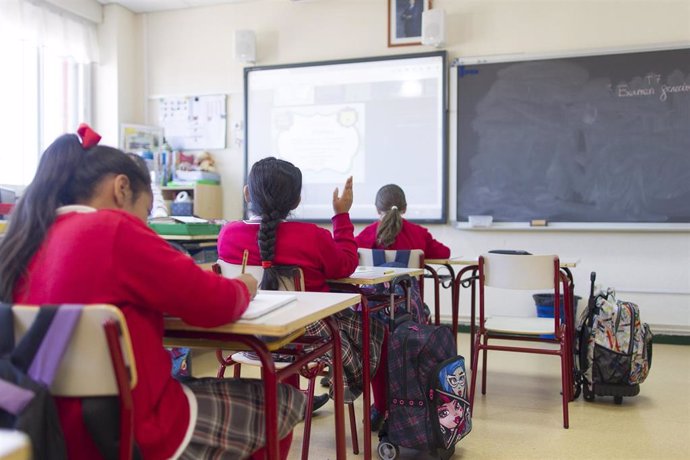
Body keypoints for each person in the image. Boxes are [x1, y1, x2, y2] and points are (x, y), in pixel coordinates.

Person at [0, 126, 305, 460]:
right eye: (145, 214)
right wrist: (245, 285)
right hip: (135, 429)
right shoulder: (114, 229)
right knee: (282, 400)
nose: (145, 226)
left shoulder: (25, 239)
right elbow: (216, 304)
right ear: (121, 188)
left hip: (45, 427)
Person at [217, 157, 385, 406]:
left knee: (286, 319)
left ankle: (292, 400)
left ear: (246, 193)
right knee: (380, 330)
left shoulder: (228, 234)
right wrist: (341, 215)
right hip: (308, 339)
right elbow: (346, 265)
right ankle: (383, 411)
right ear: (296, 200)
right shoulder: (312, 237)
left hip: (248, 335)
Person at [356, 183, 451, 431]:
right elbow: (445, 252)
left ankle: (379, 407)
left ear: (377, 209)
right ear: (405, 207)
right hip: (410, 312)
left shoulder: (366, 235)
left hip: (373, 312)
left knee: (378, 347)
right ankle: (410, 406)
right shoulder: (418, 233)